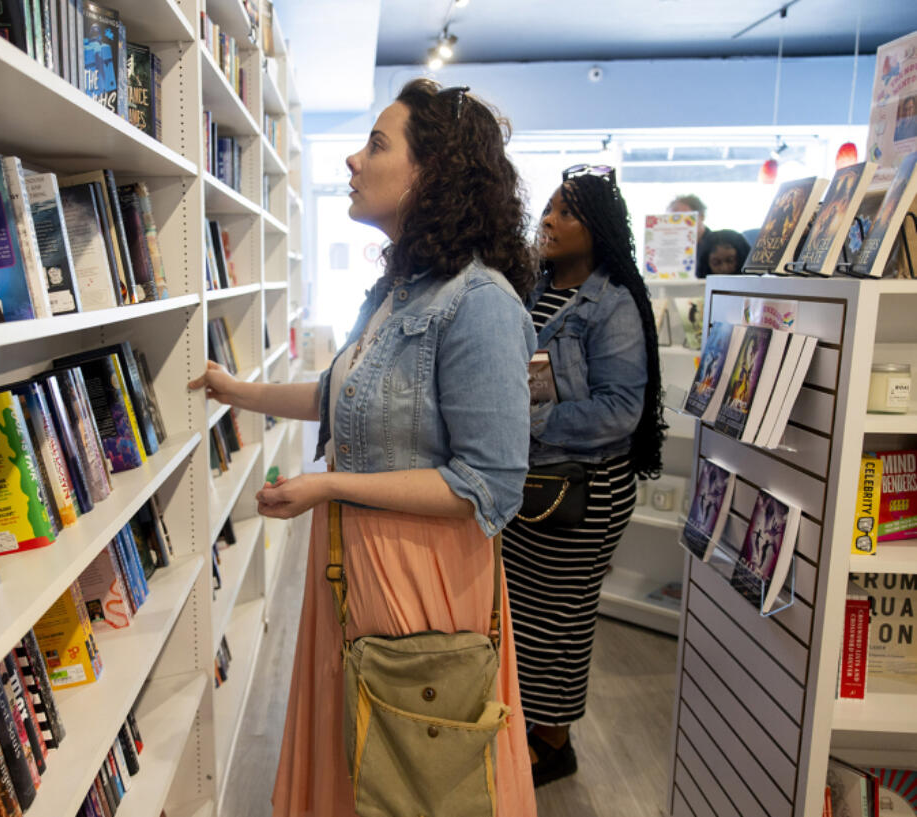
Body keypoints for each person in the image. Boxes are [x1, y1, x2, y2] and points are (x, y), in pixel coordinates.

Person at [189, 79, 538, 816]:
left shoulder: (480, 304)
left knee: (415, 773)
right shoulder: (396, 293)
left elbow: (488, 486)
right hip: (356, 563)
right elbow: (339, 395)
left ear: (433, 171)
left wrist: (330, 486)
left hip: (423, 579)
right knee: (359, 764)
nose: (353, 160)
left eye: (377, 144)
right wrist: (238, 391)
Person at [502, 166, 666, 786]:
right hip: (535, 484)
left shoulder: (613, 304)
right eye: (547, 208)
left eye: (565, 212)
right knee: (527, 617)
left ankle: (557, 742)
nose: (548, 220)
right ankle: (531, 727)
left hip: (585, 491)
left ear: (595, 229)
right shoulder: (532, 290)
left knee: (562, 621)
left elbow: (621, 410)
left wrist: (532, 421)